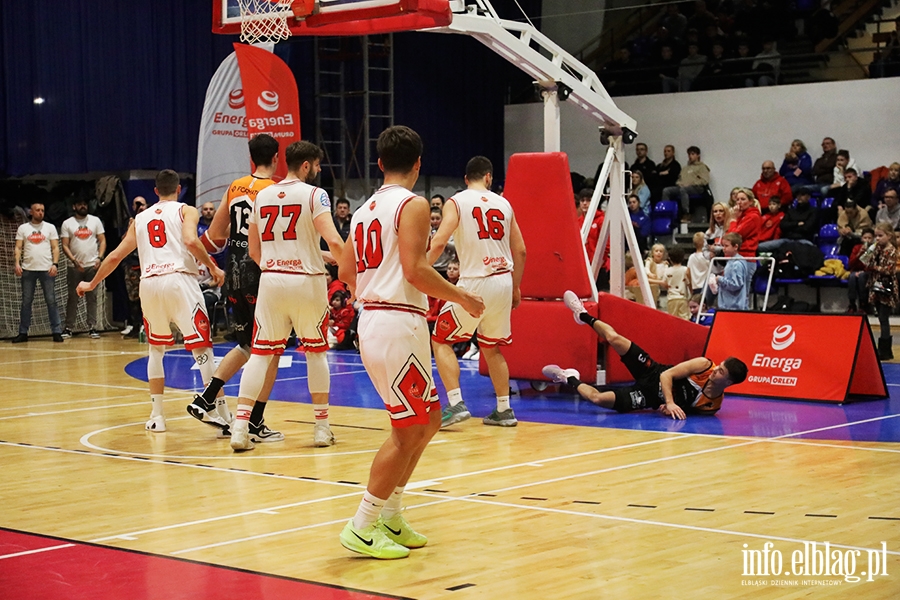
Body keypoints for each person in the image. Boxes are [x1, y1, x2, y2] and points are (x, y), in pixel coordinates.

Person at [336, 125, 484, 560]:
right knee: (407, 430)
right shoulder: (414, 204)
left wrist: (376, 280)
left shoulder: (364, 210)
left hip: (379, 320)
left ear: (379, 163)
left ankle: (392, 514)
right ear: (418, 164)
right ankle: (362, 524)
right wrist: (462, 296)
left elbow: (346, 271)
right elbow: (416, 270)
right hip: (396, 323)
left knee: (431, 418)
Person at [77, 170, 224, 432]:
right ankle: (217, 411)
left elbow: (114, 257)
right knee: (202, 348)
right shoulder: (187, 210)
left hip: (150, 284)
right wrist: (212, 267)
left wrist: (91, 283)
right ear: (179, 190)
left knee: (156, 350)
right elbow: (191, 240)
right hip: (179, 281)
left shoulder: (140, 218)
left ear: (155, 191)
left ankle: (157, 416)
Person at [228, 141, 345, 451]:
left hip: (272, 281)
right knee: (316, 352)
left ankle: (240, 428)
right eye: (317, 165)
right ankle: (321, 428)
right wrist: (351, 269)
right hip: (307, 283)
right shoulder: (315, 195)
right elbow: (333, 237)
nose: (319, 171)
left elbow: (255, 250)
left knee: (260, 354)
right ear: (305, 165)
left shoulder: (262, 195)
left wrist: (280, 263)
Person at [188, 134, 282, 442]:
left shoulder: (236, 186)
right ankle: (254, 421)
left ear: (251, 157)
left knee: (245, 344)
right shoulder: (276, 191)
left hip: (233, 270)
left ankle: (206, 398)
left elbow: (216, 234)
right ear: (276, 157)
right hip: (260, 271)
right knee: (271, 350)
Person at [428, 155, 527, 428]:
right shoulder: (504, 203)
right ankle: (504, 410)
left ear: (465, 179)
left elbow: (438, 241)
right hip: (504, 281)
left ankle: (456, 402)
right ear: (489, 177)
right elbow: (521, 250)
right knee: (491, 347)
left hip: (475, 282)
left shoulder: (457, 201)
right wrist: (516, 286)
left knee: (440, 340)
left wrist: (419, 269)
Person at [543, 291, 747, 419]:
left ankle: (568, 377)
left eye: (721, 371)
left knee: (598, 399)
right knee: (615, 339)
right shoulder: (704, 365)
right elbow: (667, 376)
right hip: (652, 370)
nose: (715, 370)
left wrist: (668, 408)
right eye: (719, 365)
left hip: (647, 397)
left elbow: (683, 410)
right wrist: (670, 402)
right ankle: (583, 314)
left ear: (728, 382)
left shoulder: (711, 406)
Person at [13, 202, 63, 343]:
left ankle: (56, 331)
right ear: (31, 212)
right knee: (26, 302)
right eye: (38, 210)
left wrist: (55, 264)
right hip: (28, 269)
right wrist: (17, 263)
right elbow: (18, 247)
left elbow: (55, 248)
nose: (40, 212)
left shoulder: (50, 227)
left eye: (42, 210)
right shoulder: (23, 228)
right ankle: (23, 332)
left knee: (51, 301)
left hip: (47, 269)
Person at [60, 198, 106, 339]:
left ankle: (92, 327)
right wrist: (74, 261)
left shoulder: (95, 221)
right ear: (74, 206)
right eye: (80, 204)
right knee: (73, 297)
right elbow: (65, 245)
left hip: (92, 265)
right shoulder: (67, 223)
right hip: (74, 267)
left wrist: (99, 258)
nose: (83, 206)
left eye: (85, 204)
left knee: (92, 297)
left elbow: (102, 240)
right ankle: (68, 328)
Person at [866, 222, 898, 360]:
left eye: (880, 236)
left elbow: (889, 270)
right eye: (876, 236)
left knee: (884, 318)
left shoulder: (891, 251)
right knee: (880, 317)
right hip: (876, 285)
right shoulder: (877, 249)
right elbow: (867, 262)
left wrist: (876, 268)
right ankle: (883, 349)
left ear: (889, 236)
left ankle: (885, 350)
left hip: (886, 286)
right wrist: (868, 251)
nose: (877, 239)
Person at [121, 197, 148, 338]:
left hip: (147, 264)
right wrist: (130, 227)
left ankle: (147, 326)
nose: (140, 207)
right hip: (132, 264)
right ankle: (135, 325)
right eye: (137, 205)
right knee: (133, 298)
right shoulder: (129, 222)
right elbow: (124, 242)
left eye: (142, 204)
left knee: (147, 298)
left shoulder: (150, 219)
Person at [661, 146, 710, 222]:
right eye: (689, 154)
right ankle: (666, 212)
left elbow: (705, 181)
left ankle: (686, 214)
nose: (690, 156)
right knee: (666, 190)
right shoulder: (685, 168)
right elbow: (679, 179)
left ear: (698, 155)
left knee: (684, 190)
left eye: (693, 154)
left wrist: (691, 184)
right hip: (682, 187)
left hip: (696, 188)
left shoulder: (702, 167)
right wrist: (680, 184)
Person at [712, 233, 750, 310]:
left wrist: (720, 279)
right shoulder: (731, 261)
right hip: (728, 305)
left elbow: (736, 285)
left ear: (735, 247)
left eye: (726, 246)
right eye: (723, 246)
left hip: (734, 306)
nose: (723, 248)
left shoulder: (737, 264)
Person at [846, 227, 874, 314]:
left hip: (869, 271)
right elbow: (851, 263)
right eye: (865, 238)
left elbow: (872, 264)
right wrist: (859, 254)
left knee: (862, 277)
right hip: (856, 270)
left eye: (869, 238)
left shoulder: (874, 249)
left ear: (873, 239)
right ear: (862, 238)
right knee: (852, 277)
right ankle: (852, 303)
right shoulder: (856, 248)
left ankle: (863, 304)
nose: (867, 240)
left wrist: (864, 270)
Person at [665, 246, 690, 319]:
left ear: (670, 259)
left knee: (672, 319)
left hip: (671, 298)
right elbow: (688, 283)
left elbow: (665, 284)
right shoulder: (685, 270)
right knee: (685, 318)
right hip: (683, 297)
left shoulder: (667, 271)